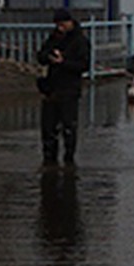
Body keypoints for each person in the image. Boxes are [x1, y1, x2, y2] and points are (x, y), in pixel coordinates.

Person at [37, 8, 90, 166]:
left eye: (62, 24)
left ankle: (69, 158)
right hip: (51, 89)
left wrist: (64, 62)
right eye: (57, 25)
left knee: (69, 126)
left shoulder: (80, 41)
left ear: (69, 22)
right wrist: (48, 56)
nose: (59, 28)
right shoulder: (54, 38)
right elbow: (41, 55)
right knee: (48, 128)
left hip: (69, 89)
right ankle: (49, 158)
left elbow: (83, 65)